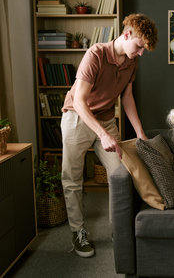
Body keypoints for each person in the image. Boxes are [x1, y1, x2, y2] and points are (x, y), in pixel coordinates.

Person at [61, 13, 157, 257]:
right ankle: (78, 232)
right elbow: (80, 102)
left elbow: (127, 98)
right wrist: (102, 134)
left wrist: (141, 134)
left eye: (144, 49)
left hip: (105, 118)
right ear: (126, 35)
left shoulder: (131, 59)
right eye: (139, 46)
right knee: (72, 178)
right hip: (77, 118)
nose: (141, 53)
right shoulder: (95, 54)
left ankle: (120, 230)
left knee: (120, 174)